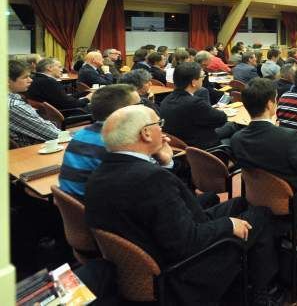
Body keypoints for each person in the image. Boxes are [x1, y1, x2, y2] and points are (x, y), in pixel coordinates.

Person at [84, 104, 281, 305]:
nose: (162, 130)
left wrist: (167, 163)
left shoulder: (98, 176)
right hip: (182, 269)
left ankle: (241, 280)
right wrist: (229, 225)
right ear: (146, 133)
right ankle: (260, 292)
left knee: (240, 202)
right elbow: (187, 243)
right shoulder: (150, 178)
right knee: (261, 215)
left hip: (155, 247)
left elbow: (173, 202)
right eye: (158, 124)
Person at [231, 79, 297, 239]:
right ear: (270, 104)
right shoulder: (290, 138)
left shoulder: (237, 139)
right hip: (294, 197)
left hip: (260, 195)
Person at [58, 84, 142, 199]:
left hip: (75, 206)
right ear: (122, 112)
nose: (145, 108)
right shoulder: (118, 143)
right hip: (99, 210)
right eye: (139, 104)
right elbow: (147, 183)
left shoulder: (81, 134)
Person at [160, 62, 228, 149]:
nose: (203, 79)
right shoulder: (195, 103)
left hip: (181, 144)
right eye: (202, 76)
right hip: (202, 149)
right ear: (193, 82)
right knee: (234, 131)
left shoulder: (166, 99)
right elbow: (222, 119)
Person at [8, 59, 61, 147]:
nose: (30, 80)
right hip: (31, 151)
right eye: (25, 77)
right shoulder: (14, 106)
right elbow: (53, 134)